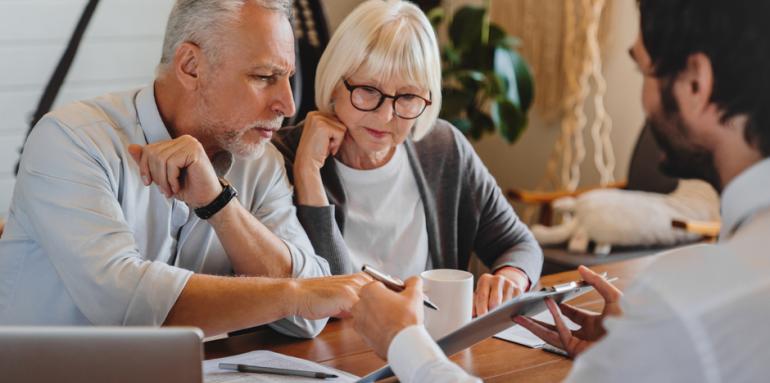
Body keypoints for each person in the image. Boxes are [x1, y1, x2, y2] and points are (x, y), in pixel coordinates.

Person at [351, 0, 770, 381]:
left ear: (695, 82)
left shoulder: (684, 302)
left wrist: (404, 342)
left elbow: (518, 242)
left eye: (644, 71)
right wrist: (626, 354)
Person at [0, 0, 370, 338]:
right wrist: (292, 294)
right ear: (191, 66)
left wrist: (220, 206)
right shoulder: (70, 140)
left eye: (287, 77)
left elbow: (310, 317)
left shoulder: (260, 162)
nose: (287, 104)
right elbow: (124, 305)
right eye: (263, 77)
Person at [273, 0, 543, 316]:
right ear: (334, 83)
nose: (385, 115)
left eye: (408, 97)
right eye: (368, 90)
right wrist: (307, 174)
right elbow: (324, 296)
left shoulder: (442, 147)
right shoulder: (283, 155)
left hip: (428, 346)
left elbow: (520, 245)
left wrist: (510, 277)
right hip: (331, 354)